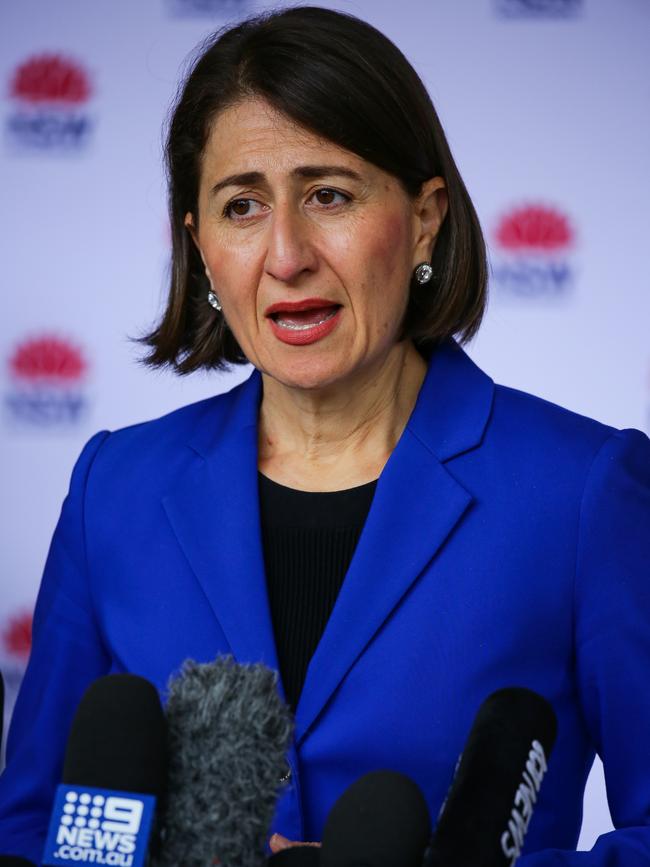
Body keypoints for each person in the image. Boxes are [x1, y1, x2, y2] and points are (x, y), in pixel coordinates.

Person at [1, 6, 649, 864]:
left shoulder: (582, 491)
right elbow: (27, 828)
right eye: (242, 206)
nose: (287, 253)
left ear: (425, 218)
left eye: (329, 195)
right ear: (198, 250)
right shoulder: (113, 488)